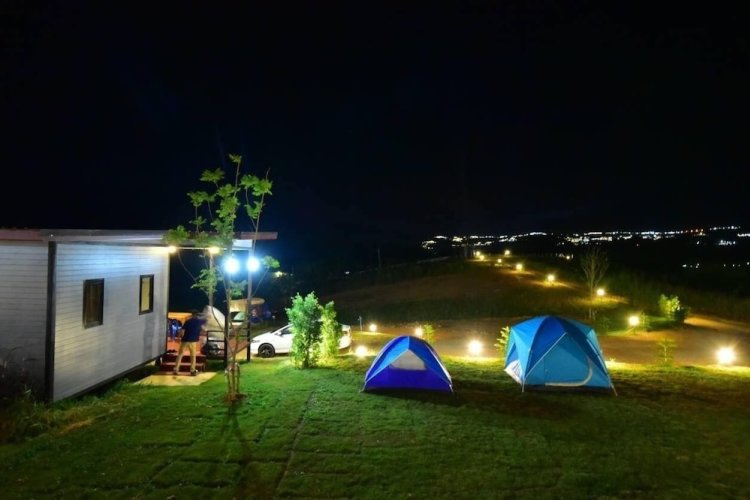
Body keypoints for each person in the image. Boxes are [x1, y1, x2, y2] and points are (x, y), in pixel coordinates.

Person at [173, 309, 206, 376]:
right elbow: (207, 319)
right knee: (193, 356)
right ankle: (192, 370)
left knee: (180, 355)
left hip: (185, 340)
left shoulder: (187, 321)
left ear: (192, 314)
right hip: (193, 341)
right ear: (197, 315)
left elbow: (182, 331)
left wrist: (178, 338)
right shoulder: (199, 321)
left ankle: (176, 369)